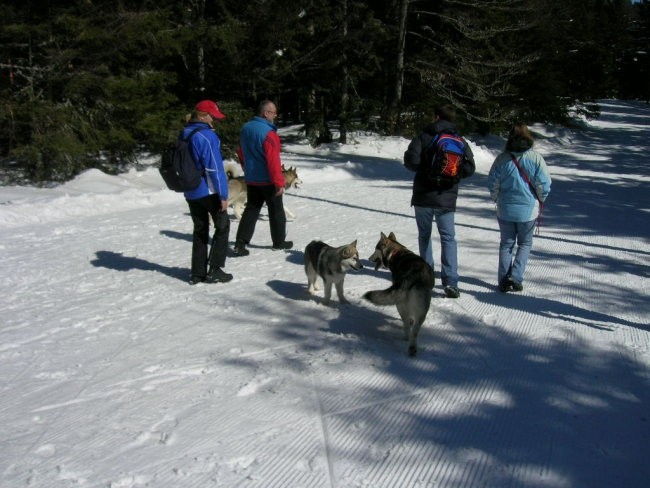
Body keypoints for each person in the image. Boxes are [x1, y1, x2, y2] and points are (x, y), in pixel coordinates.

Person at [403, 104, 476, 298]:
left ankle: (427, 278)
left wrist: (425, 170)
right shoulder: (459, 140)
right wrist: (452, 176)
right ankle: (451, 281)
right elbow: (470, 168)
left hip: (423, 196)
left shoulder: (423, 136)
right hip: (446, 198)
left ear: (436, 117)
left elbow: (411, 161)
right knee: (448, 239)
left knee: (424, 236)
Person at [487, 123, 551, 292]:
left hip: (505, 208)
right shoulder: (536, 158)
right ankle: (515, 277)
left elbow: (493, 182)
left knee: (506, 245)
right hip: (528, 210)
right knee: (524, 244)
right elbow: (544, 184)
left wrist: (496, 198)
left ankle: (503, 280)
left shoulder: (502, 158)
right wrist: (540, 199)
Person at [233, 100, 292, 255]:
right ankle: (279, 242)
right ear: (266, 113)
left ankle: (240, 242)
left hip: (252, 178)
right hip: (268, 180)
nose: (275, 115)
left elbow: (241, 153)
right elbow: (273, 161)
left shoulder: (246, 128)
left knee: (251, 209)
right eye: (273, 112)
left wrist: (248, 170)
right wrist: (279, 182)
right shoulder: (269, 134)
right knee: (276, 210)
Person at [184, 99, 233, 285]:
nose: (215, 119)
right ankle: (215, 268)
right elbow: (214, 168)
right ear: (204, 116)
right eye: (212, 116)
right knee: (223, 226)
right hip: (208, 190)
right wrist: (223, 194)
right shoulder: (206, 136)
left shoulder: (185, 132)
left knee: (200, 229)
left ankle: (197, 273)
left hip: (190, 190)